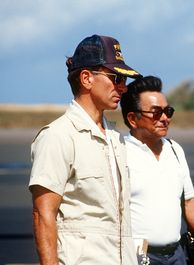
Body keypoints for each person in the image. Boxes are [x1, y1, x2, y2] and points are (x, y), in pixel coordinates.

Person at [29, 34, 141, 265]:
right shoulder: (58, 136)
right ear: (87, 78)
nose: (123, 88)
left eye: (125, 80)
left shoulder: (115, 138)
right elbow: (43, 214)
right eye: (116, 77)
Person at [120, 75, 194, 265]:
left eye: (168, 111)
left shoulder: (174, 149)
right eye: (156, 112)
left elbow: (189, 202)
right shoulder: (119, 152)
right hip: (139, 256)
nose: (164, 118)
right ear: (132, 119)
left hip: (177, 255)